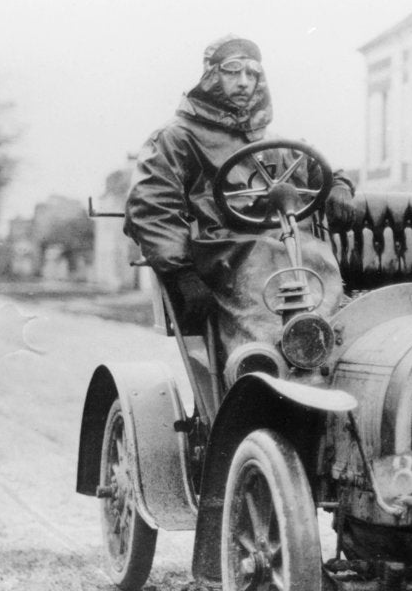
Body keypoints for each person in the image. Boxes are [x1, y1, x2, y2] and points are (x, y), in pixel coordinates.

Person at [125, 34, 356, 361]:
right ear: (210, 76)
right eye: (233, 71)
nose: (245, 82)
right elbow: (152, 207)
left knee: (317, 271)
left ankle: (325, 363)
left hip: (290, 248)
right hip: (225, 255)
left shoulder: (274, 141)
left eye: (253, 74)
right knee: (270, 295)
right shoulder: (176, 137)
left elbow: (320, 169)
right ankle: (260, 373)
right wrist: (182, 275)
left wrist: (339, 186)